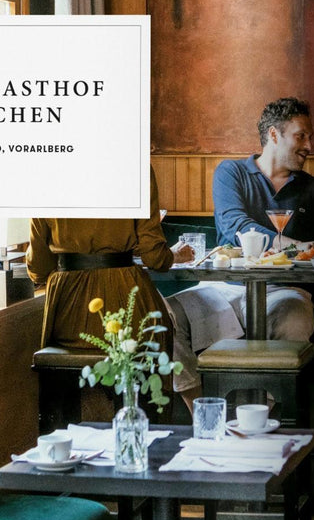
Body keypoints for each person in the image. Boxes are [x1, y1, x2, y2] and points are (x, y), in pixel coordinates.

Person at [165, 97, 314, 399]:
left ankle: (261, 420)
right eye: (301, 135)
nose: (309, 145)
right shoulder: (232, 173)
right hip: (224, 287)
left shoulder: (312, 189)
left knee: (295, 320)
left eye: (310, 137)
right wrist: (296, 247)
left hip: (284, 291)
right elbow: (235, 226)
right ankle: (203, 419)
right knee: (164, 315)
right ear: (274, 135)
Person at [27, 169, 193, 417]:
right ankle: (144, 434)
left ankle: (62, 439)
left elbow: (39, 268)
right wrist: (173, 255)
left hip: (67, 313)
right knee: (152, 345)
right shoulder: (134, 169)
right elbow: (155, 257)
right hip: (126, 299)